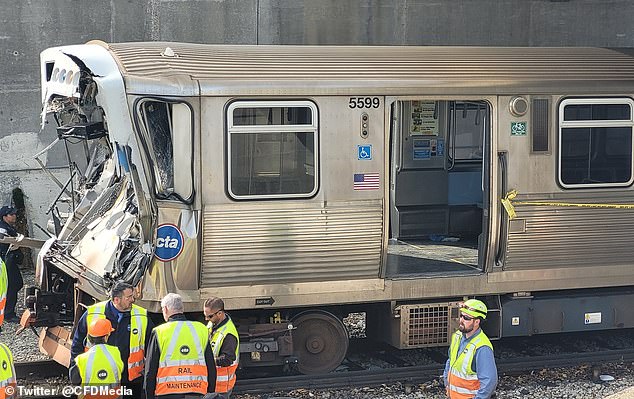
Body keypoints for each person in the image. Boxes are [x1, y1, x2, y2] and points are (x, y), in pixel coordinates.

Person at [70, 281, 152, 397]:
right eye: (129, 297)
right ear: (116, 299)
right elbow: (77, 343)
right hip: (100, 377)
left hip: (131, 379)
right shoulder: (93, 313)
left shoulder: (141, 315)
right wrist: (75, 368)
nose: (133, 300)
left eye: (133, 296)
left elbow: (151, 345)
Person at [144, 293, 216, 399]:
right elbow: (211, 366)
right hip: (197, 392)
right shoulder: (201, 329)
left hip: (167, 393)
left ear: (165, 309)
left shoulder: (159, 332)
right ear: (181, 308)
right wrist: (210, 393)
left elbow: (150, 370)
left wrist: (149, 396)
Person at [444, 299, 497, 399]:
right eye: (461, 316)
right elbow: (450, 362)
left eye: (466, 318)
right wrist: (447, 384)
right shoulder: (457, 336)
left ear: (477, 321)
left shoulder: (482, 347)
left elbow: (489, 381)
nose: (461, 320)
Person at [69, 318, 123, 399]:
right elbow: (120, 370)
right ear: (106, 337)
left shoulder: (82, 359)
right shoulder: (116, 352)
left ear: (89, 338)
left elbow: (74, 379)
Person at [204, 297, 239, 399]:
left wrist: (208, 361)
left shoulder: (229, 334)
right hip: (212, 383)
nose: (206, 319)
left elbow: (227, 359)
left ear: (219, 313)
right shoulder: (212, 323)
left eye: (209, 316)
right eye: (205, 316)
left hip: (222, 387)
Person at [0, 206, 23, 322]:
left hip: (10, 261)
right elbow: (3, 246)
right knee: (12, 286)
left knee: (16, 284)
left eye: (14, 214)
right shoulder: (2, 230)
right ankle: (8, 314)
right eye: (11, 214)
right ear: (4, 217)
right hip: (5, 262)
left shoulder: (8, 228)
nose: (14, 216)